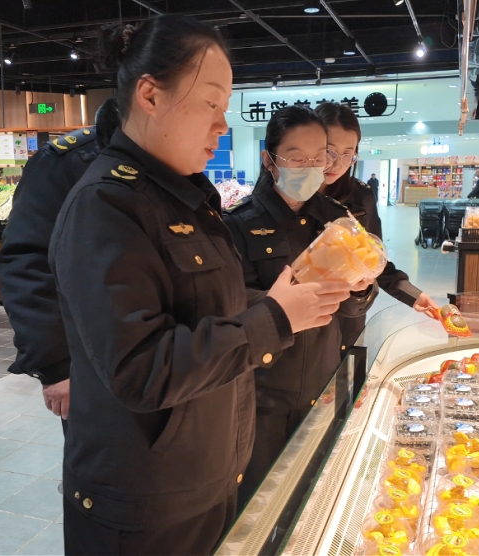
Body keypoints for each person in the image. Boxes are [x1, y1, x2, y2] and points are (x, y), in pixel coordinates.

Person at [48, 16, 350, 555]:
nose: (222, 124)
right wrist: (275, 318)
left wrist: (282, 299)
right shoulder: (107, 206)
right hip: (146, 506)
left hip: (205, 478)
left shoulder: (187, 200)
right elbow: (140, 368)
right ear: (150, 95)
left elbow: (206, 307)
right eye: (211, 102)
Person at [224, 105, 377, 508]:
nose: (311, 168)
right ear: (269, 160)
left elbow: (355, 307)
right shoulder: (236, 225)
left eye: (319, 157)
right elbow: (228, 307)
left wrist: (359, 289)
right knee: (258, 505)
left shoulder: (338, 221)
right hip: (264, 395)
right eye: (296, 158)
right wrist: (280, 306)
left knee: (313, 498)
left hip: (324, 384)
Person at [0, 99, 120, 427]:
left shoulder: (175, 164)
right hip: (90, 359)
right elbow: (27, 263)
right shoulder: (64, 162)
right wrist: (54, 367)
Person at [315, 102, 437, 347]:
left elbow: (374, 261)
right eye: (329, 151)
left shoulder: (361, 197)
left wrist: (412, 295)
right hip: (302, 321)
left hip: (347, 318)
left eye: (348, 154)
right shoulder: (293, 197)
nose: (338, 164)